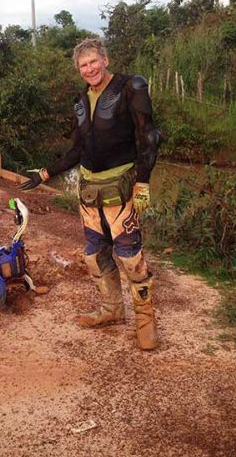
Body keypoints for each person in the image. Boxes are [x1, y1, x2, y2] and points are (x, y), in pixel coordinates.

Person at [20, 38, 162, 350]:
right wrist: (45, 172)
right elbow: (79, 149)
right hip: (89, 190)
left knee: (130, 256)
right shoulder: (80, 100)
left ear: (105, 60)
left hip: (120, 187)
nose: (89, 69)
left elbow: (149, 136)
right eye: (83, 65)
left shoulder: (130, 87)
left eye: (93, 62)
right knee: (95, 254)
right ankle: (111, 310)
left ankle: (145, 320)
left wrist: (143, 181)